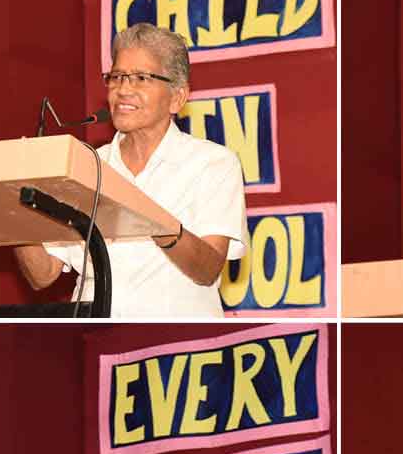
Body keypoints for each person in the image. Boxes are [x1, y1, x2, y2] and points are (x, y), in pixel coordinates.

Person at [15, 23, 247, 317]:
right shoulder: (85, 166)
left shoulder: (213, 163)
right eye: (116, 77)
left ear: (177, 97)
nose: (123, 90)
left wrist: (151, 220)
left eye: (140, 78)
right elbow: (42, 274)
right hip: (94, 334)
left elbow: (207, 269)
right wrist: (15, 207)